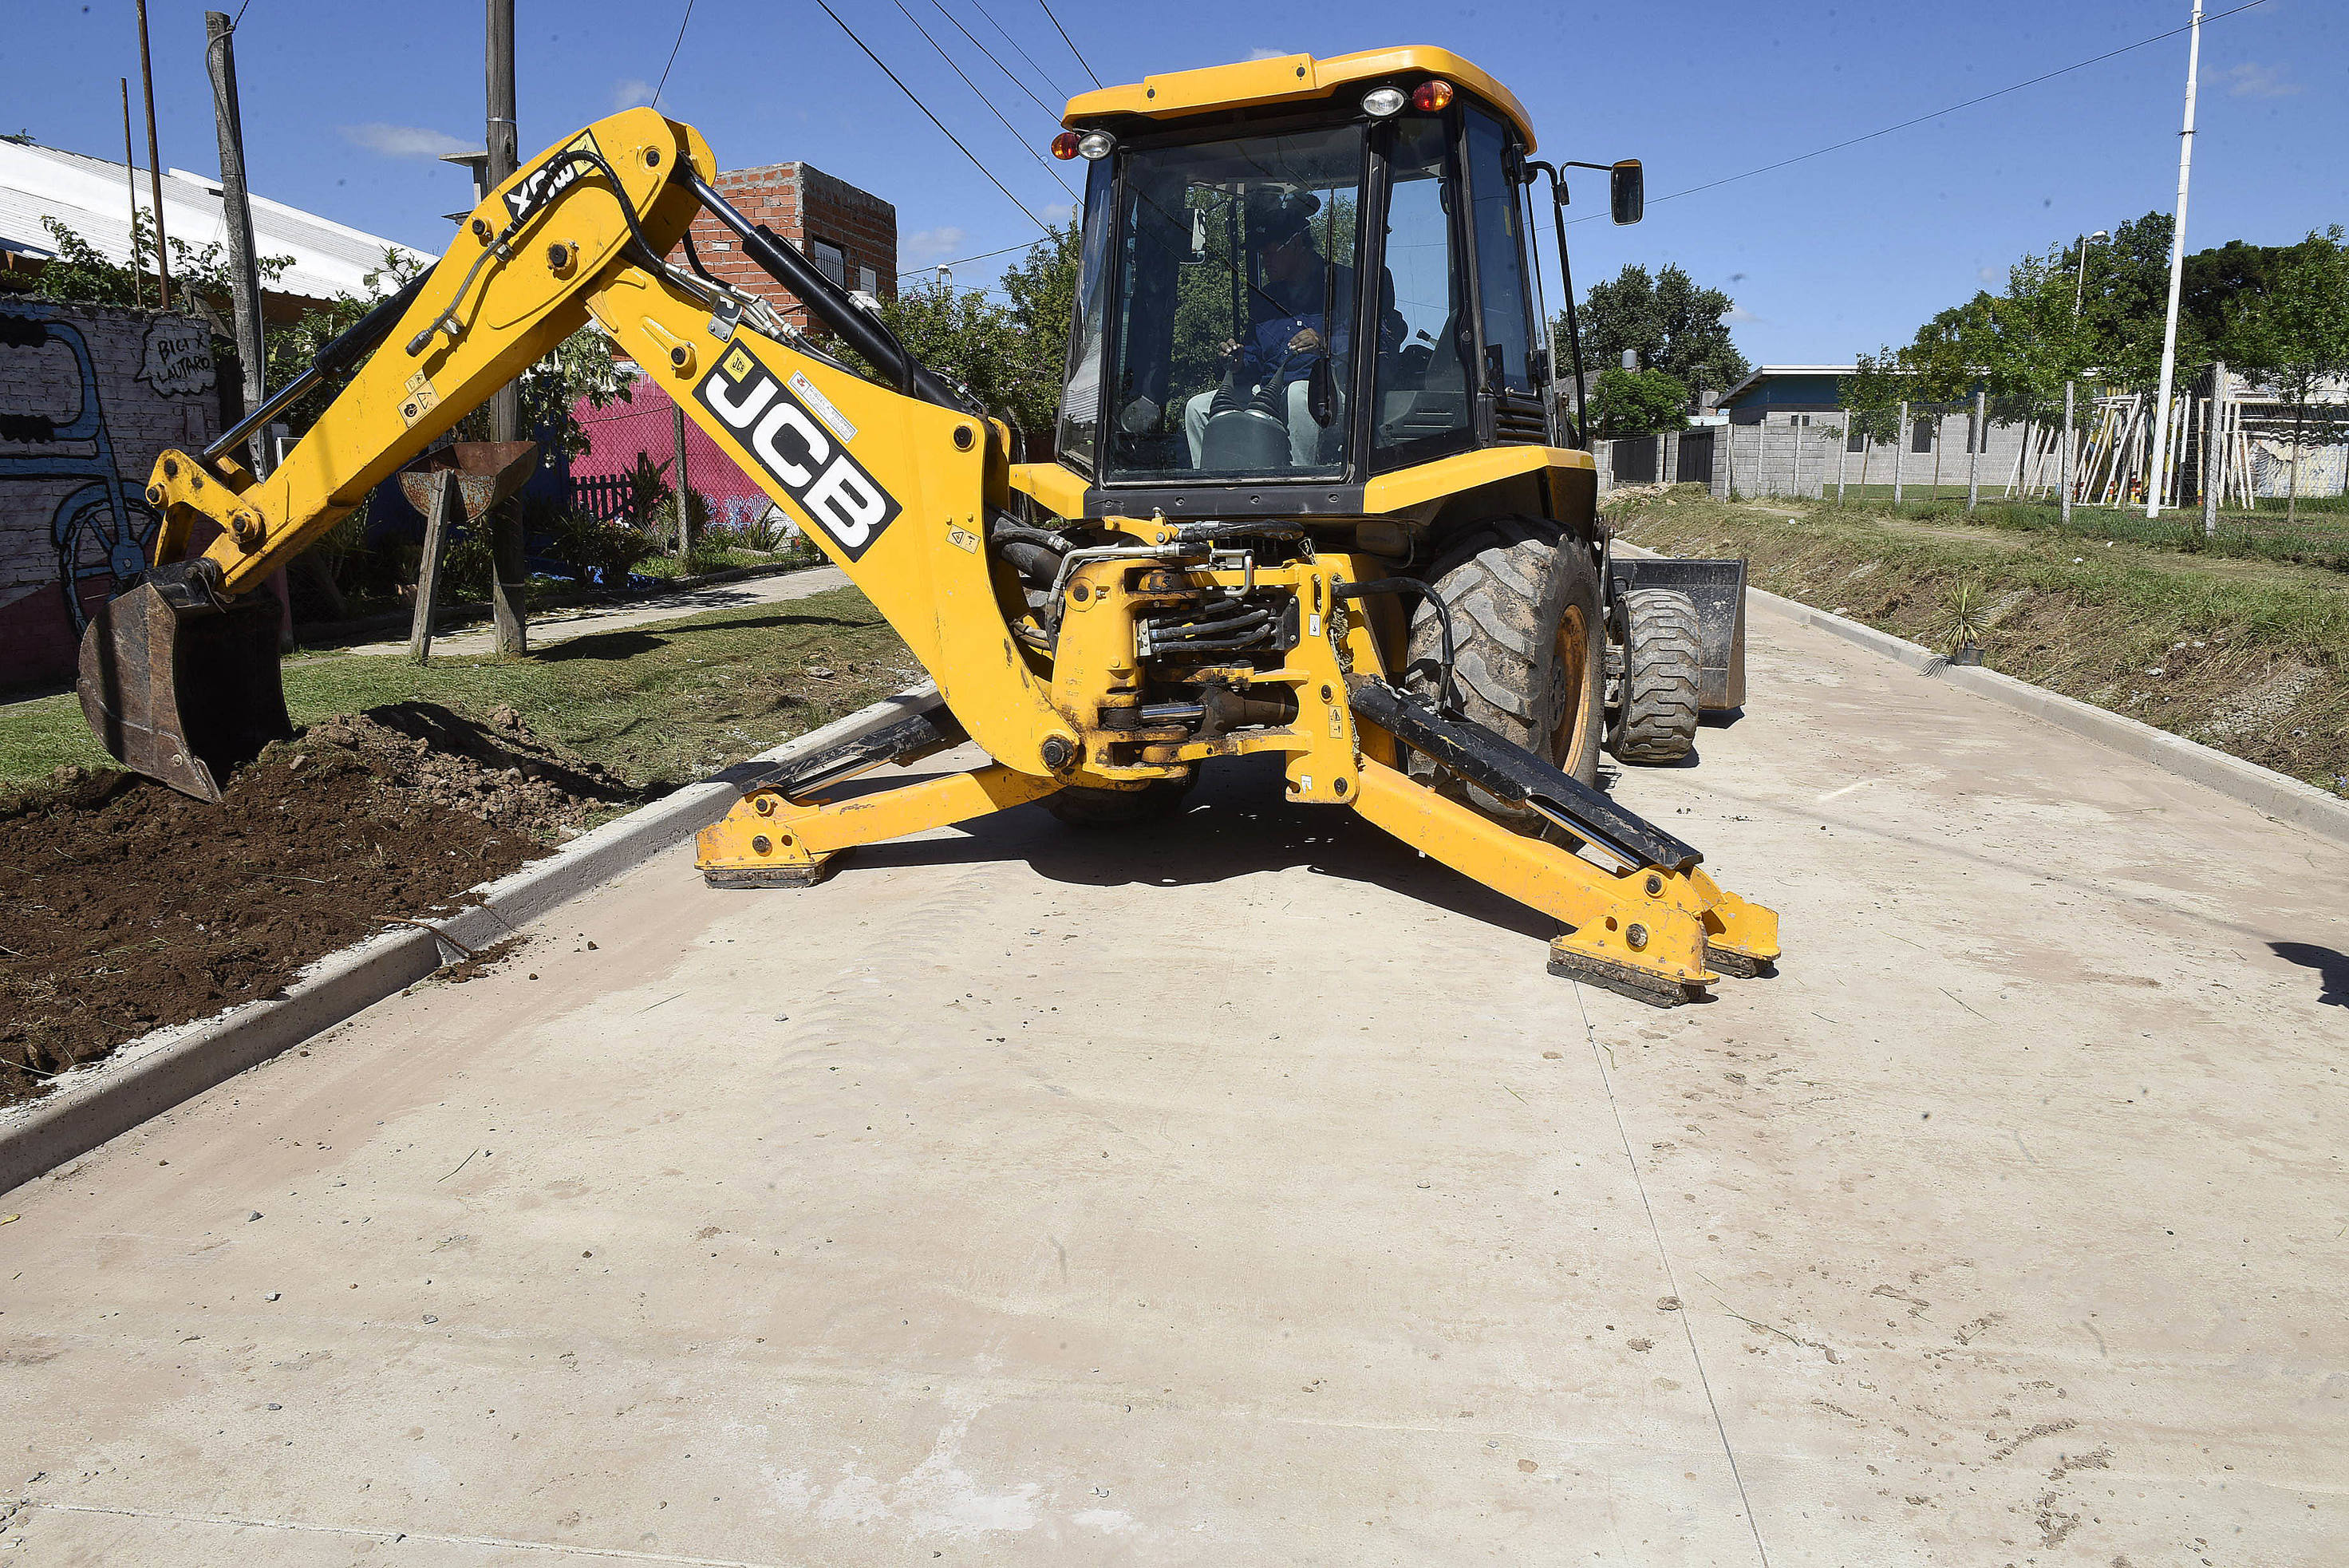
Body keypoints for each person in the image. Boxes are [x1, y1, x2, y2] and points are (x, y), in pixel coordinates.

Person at [1182, 190, 1354, 470]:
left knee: (1299, 395)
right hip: (1269, 393)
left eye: (1270, 253)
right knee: (1198, 408)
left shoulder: (1346, 283)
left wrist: (1326, 343)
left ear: (1296, 243)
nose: (1265, 262)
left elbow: (1380, 340)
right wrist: (1237, 361)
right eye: (1260, 255)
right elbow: (1255, 357)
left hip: (1335, 397)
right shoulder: (1266, 298)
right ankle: (1213, 488)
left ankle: (1301, 485)